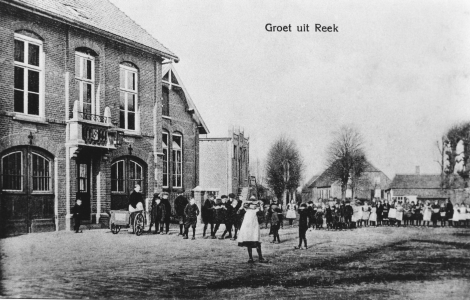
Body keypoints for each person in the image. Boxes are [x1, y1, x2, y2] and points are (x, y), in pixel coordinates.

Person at [238, 196, 269, 263]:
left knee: (256, 241)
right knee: (248, 242)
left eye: (253, 204)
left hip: (254, 227)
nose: (252, 205)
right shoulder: (246, 210)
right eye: (251, 204)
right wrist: (242, 205)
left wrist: (261, 205)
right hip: (247, 228)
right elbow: (238, 212)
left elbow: (262, 213)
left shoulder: (256, 210)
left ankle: (260, 257)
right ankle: (250, 258)